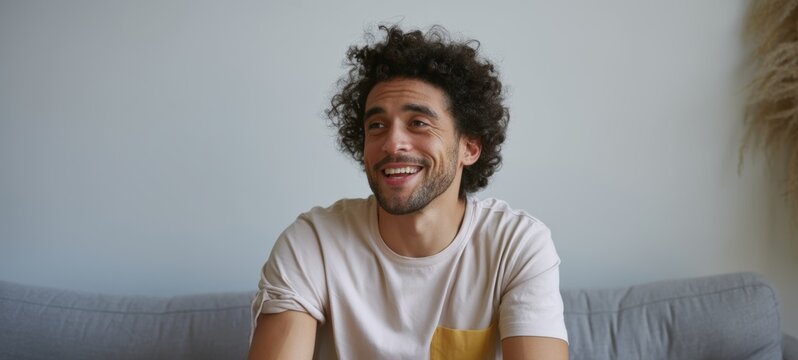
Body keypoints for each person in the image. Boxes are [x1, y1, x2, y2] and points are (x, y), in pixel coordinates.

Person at [248, 25, 568, 359]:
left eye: (418, 123)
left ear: (469, 148)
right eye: (376, 125)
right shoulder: (312, 242)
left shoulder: (516, 245)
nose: (391, 143)